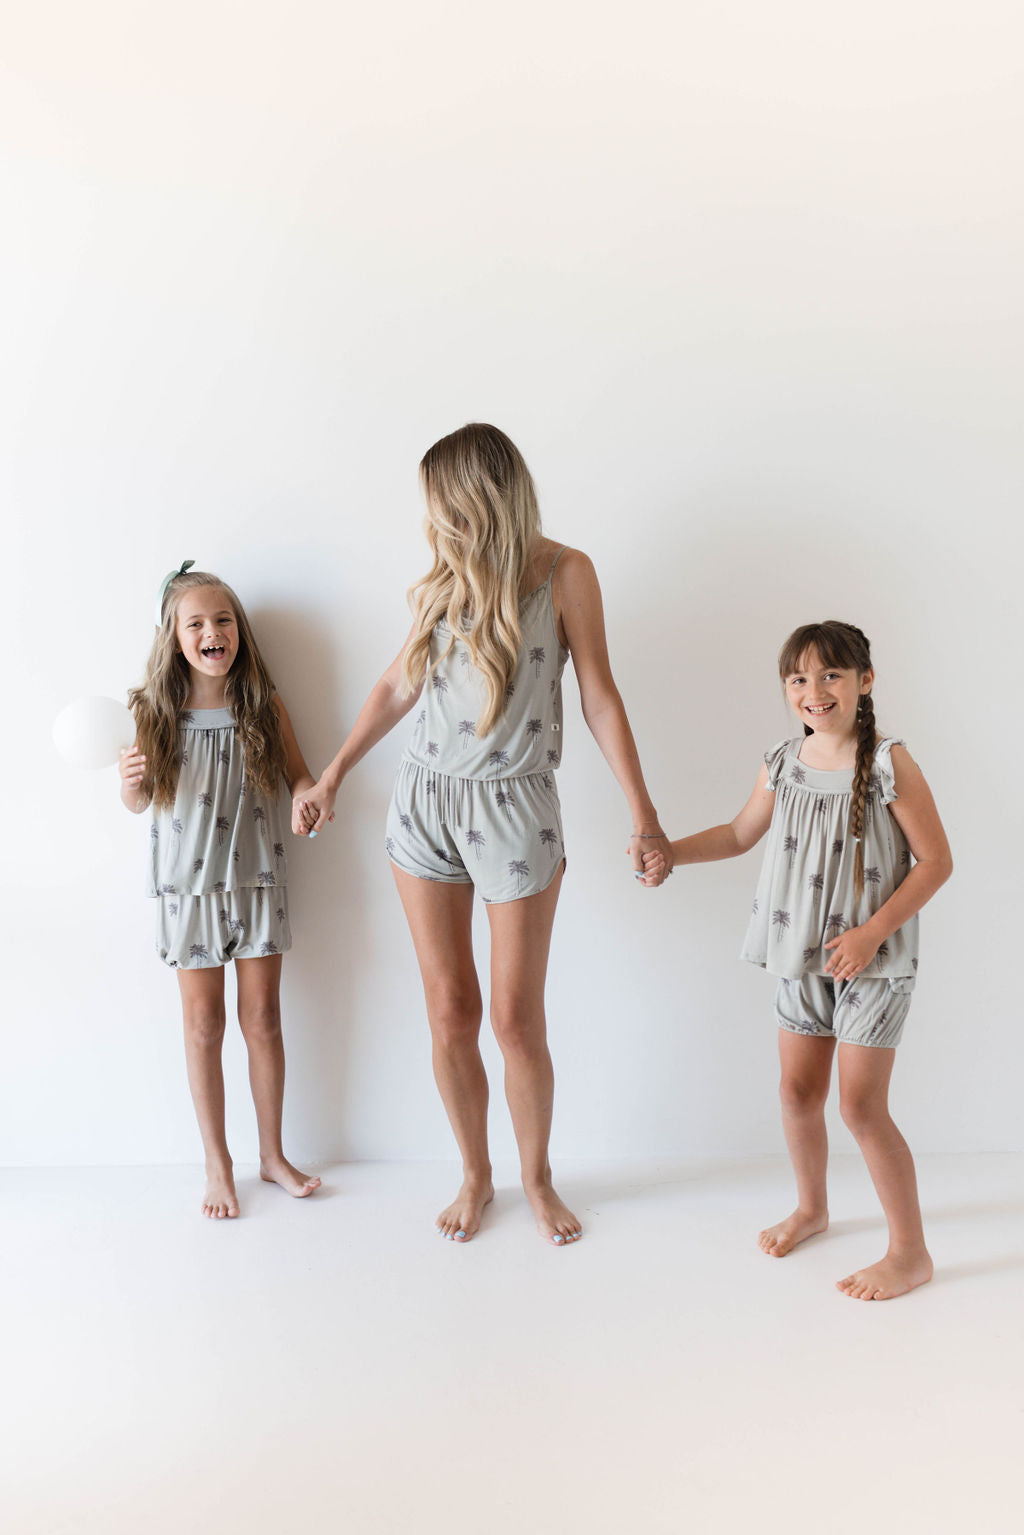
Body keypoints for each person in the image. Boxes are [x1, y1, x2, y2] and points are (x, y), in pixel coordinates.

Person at [294, 423, 669, 1245]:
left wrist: (642, 808)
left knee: (514, 1018)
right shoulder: (442, 578)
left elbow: (600, 695)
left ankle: (536, 1177)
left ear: (477, 497)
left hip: (515, 809)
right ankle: (476, 1172)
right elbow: (399, 683)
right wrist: (334, 772)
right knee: (448, 1008)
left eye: (442, 504)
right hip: (425, 803)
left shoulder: (566, 573)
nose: (433, 520)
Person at [644, 621, 952, 1299]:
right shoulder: (783, 760)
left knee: (861, 1106)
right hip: (799, 951)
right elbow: (737, 832)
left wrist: (872, 932)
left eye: (831, 675)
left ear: (865, 681)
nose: (814, 691)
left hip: (873, 957)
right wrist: (671, 850)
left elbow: (936, 862)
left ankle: (910, 1252)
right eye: (798, 679)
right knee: (796, 1092)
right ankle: (813, 1207)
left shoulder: (891, 763)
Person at [119, 563, 322, 1219]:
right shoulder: (155, 712)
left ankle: (272, 1154)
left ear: (240, 631)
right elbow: (140, 800)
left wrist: (308, 801)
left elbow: (300, 776)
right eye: (197, 623)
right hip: (188, 889)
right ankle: (218, 1161)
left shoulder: (264, 701)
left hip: (257, 878)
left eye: (223, 619)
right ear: (174, 637)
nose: (213, 632)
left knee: (262, 1019)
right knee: (203, 1024)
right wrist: (128, 782)